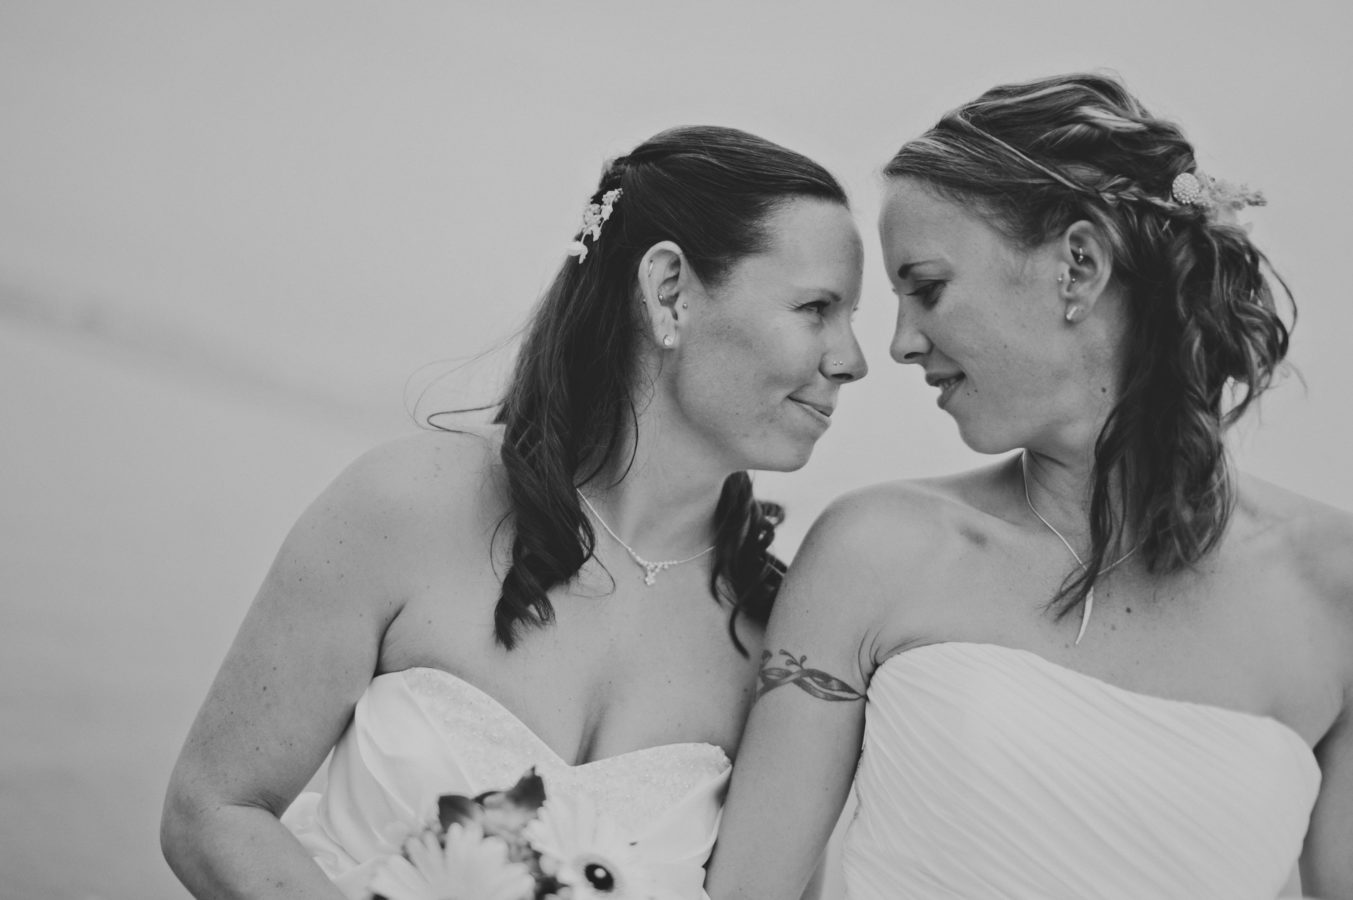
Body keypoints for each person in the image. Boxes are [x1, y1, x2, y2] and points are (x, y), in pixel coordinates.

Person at [160, 125, 867, 900]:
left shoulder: (781, 642)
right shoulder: (405, 505)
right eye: (815, 308)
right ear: (670, 290)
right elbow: (215, 808)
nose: (851, 359)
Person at [705, 74, 1353, 900]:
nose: (901, 344)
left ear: (1076, 267)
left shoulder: (1333, 591)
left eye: (927, 286)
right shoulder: (876, 552)